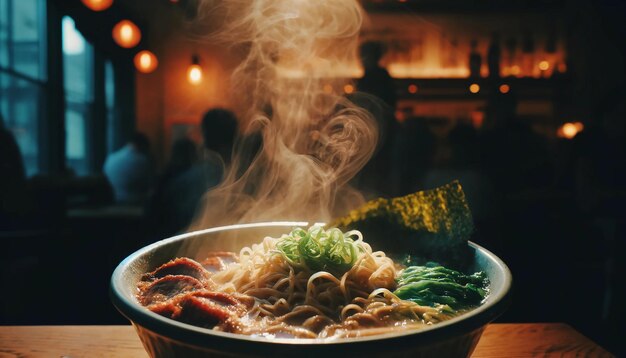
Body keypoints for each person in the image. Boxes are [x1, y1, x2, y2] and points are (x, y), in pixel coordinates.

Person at [353, 41, 399, 197]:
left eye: (363, 56)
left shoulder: (374, 78)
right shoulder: (378, 77)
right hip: (375, 132)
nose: (361, 60)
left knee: (374, 174)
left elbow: (373, 106)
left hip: (376, 132)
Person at [103, 132, 154, 205]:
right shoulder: (143, 161)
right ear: (142, 146)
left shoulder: (111, 158)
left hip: (115, 201)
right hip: (138, 202)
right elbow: (150, 184)